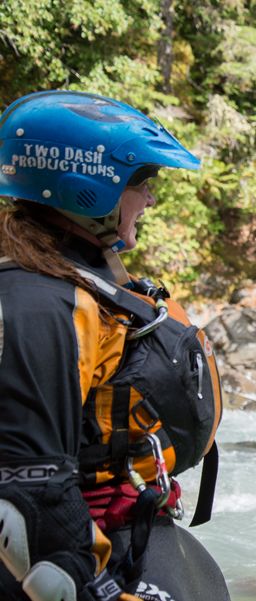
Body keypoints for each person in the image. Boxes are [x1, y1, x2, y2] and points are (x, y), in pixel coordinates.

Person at [0, 91, 227, 601]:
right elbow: (26, 493)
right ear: (88, 188)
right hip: (77, 550)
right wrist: (100, 590)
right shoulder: (39, 302)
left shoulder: (66, 275)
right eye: (140, 183)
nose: (149, 200)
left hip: (122, 526)